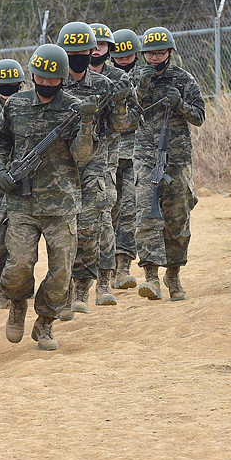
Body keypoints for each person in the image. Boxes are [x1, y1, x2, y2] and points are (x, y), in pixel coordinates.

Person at [0, 44, 96, 350]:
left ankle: (45, 322)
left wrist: (87, 124)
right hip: (21, 203)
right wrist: (0, 172)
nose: (46, 84)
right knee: (19, 265)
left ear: (63, 79)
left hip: (61, 204)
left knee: (61, 271)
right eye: (41, 77)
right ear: (32, 75)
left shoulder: (74, 109)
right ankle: (18, 304)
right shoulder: (16, 105)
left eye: (53, 79)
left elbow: (83, 155)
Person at [54, 21, 132, 319]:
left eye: (83, 51)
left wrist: (122, 103)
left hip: (97, 163)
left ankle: (86, 287)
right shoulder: (51, 81)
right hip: (61, 166)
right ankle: (62, 289)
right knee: (63, 229)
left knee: (91, 223)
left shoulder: (104, 85)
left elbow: (122, 127)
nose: (77, 56)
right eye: (70, 51)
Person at [132, 26, 205, 301]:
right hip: (145, 158)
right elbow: (125, 114)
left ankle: (173, 275)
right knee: (146, 216)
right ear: (143, 55)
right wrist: (142, 87)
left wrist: (181, 105)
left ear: (169, 53)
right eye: (150, 54)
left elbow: (199, 116)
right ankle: (150, 276)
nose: (154, 58)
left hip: (177, 160)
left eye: (160, 52)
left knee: (177, 220)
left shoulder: (184, 80)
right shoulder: (135, 79)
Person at [88, 22, 139, 306]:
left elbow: (132, 119)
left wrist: (120, 103)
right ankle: (85, 277)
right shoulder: (71, 78)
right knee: (101, 216)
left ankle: (122, 268)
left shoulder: (119, 78)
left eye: (102, 45)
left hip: (122, 155)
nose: (96, 51)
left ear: (110, 48)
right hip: (87, 161)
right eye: (92, 46)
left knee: (125, 210)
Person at [0, 58, 25, 313]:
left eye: (13, 86)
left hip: (25, 184)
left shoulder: (28, 105)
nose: (7, 90)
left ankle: (17, 294)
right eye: (3, 85)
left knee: (21, 246)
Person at [109, 28, 143, 289]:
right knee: (108, 211)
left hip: (134, 154)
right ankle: (106, 268)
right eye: (118, 54)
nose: (122, 58)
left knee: (129, 210)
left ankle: (123, 267)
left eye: (127, 54)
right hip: (107, 155)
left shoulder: (144, 78)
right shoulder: (105, 79)